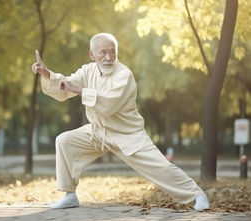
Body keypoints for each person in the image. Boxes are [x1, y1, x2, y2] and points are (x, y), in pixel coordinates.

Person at [31, 33, 209, 211]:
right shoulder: (87, 70)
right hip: (98, 132)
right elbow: (65, 87)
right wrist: (47, 73)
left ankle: (197, 194)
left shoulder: (124, 74)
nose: (108, 58)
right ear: (92, 55)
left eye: (112, 52)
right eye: (103, 53)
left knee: (161, 167)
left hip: (127, 134)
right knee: (64, 140)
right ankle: (70, 195)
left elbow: (108, 104)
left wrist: (79, 91)